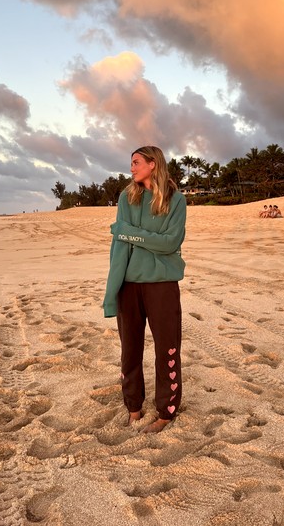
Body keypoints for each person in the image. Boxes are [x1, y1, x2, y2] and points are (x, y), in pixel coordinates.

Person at [103, 146, 186, 434]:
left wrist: (129, 232)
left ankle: (166, 412)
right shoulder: (127, 197)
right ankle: (133, 408)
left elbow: (170, 243)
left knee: (167, 350)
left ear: (153, 164)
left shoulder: (176, 200)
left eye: (136, 162)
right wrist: (112, 290)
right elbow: (119, 248)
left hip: (162, 285)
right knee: (130, 351)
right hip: (129, 285)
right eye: (131, 163)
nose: (132, 168)